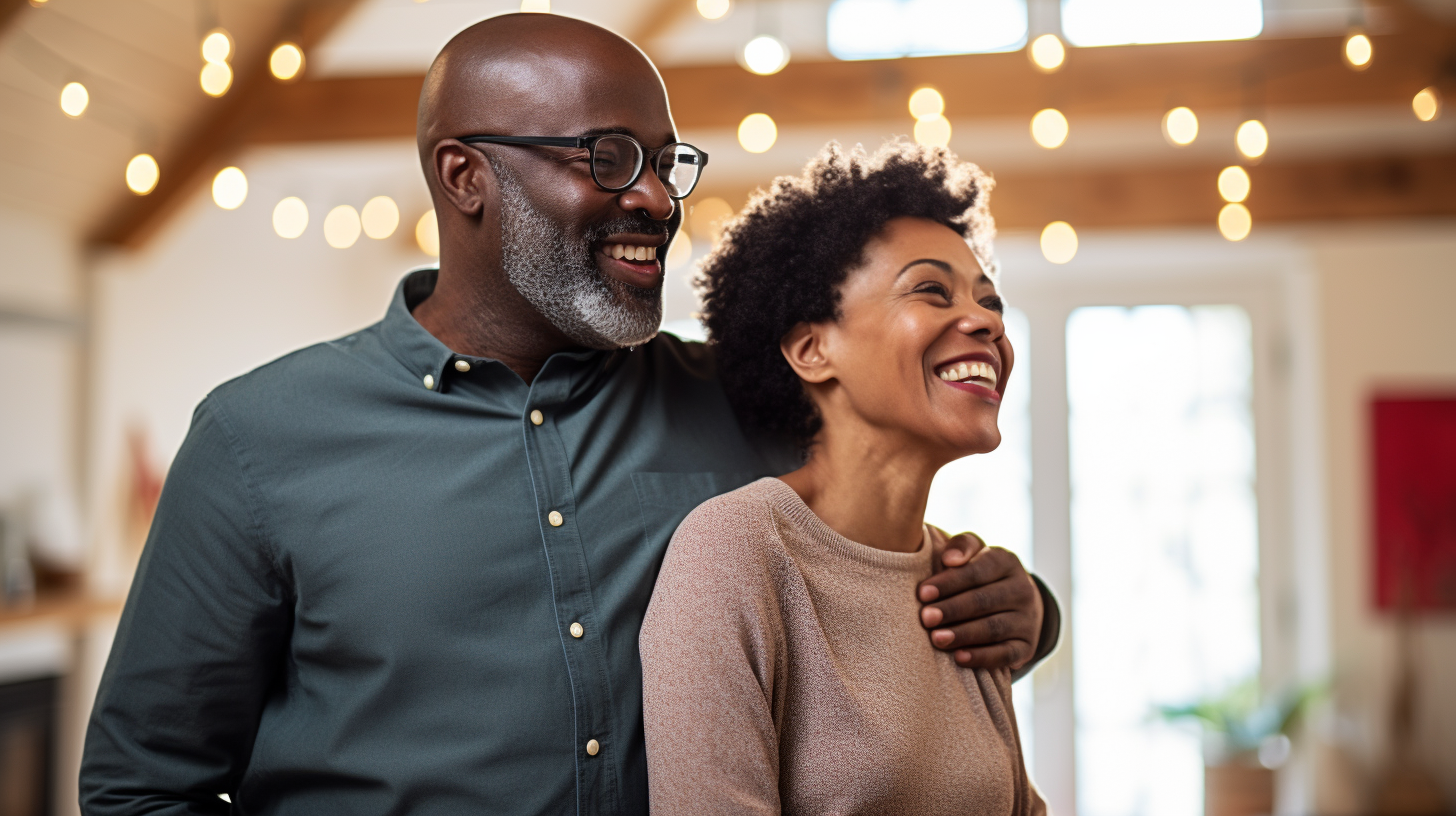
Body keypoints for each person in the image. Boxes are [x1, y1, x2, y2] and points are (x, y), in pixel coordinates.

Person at [79, 14, 1057, 815]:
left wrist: (1024, 608)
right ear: (466, 176)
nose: (655, 198)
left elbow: (889, 562)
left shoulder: (749, 402)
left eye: (666, 162)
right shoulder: (259, 439)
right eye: (607, 155)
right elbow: (142, 786)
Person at [641, 140, 1044, 815]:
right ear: (811, 348)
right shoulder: (736, 549)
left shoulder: (959, 577)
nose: (985, 322)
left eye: (990, 300)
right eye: (931, 291)